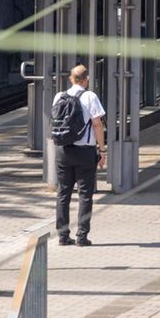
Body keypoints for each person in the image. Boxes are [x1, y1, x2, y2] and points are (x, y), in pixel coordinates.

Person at [52, 64, 106, 247]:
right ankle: (82, 236)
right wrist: (102, 149)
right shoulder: (90, 97)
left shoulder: (59, 96)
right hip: (85, 152)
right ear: (86, 80)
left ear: (70, 78)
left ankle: (62, 235)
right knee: (85, 195)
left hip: (63, 151)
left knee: (63, 194)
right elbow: (97, 124)